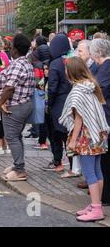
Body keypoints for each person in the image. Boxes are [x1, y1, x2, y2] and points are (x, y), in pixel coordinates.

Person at [59, 57, 109, 222]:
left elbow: (79, 118)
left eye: (66, 68)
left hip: (86, 137)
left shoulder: (78, 90)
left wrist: (73, 140)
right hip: (97, 134)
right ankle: (96, 204)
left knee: (89, 173)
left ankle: (96, 209)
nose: (64, 71)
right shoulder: (90, 86)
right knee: (97, 171)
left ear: (72, 71)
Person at [0, 34, 35, 182]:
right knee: (16, 136)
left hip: (15, 106)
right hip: (23, 104)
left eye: (12, 47)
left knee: (12, 137)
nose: (10, 49)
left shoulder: (18, 64)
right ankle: (17, 165)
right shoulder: (26, 62)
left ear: (15, 50)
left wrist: (0, 102)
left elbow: (9, 87)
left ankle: (20, 170)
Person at [44, 34, 73, 173]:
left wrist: (48, 105)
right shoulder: (72, 60)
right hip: (71, 101)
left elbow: (52, 88)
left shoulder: (55, 64)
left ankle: (57, 161)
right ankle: (74, 166)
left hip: (58, 104)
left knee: (56, 135)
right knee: (69, 135)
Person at [90, 39, 110, 206]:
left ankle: (105, 196)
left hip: (106, 117)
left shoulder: (105, 68)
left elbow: (99, 91)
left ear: (96, 53)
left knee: (105, 159)